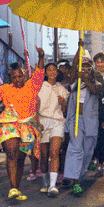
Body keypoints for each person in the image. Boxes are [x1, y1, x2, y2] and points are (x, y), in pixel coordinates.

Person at [0, 46, 46, 201]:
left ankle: (16, 188)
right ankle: (12, 188)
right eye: (14, 77)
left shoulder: (32, 86)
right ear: (10, 78)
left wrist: (41, 57)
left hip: (26, 126)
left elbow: (40, 72)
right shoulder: (5, 89)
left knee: (20, 158)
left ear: (24, 75)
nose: (18, 79)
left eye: (20, 76)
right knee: (11, 152)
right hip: (9, 123)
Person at [63, 49, 104, 195]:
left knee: (87, 151)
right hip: (76, 120)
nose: (85, 71)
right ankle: (74, 180)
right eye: (83, 69)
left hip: (90, 121)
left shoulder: (97, 84)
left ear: (92, 71)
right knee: (76, 148)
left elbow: (95, 91)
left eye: (88, 69)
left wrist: (85, 79)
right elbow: (72, 73)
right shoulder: (75, 84)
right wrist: (78, 51)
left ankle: (80, 174)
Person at [36, 62, 69, 196]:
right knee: (44, 156)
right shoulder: (39, 86)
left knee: (54, 152)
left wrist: (63, 103)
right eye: (49, 70)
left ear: (57, 72)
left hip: (57, 122)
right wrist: (37, 122)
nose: (51, 72)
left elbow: (64, 109)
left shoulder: (61, 88)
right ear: (45, 73)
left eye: (54, 70)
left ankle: (52, 186)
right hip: (42, 122)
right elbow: (34, 107)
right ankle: (45, 182)